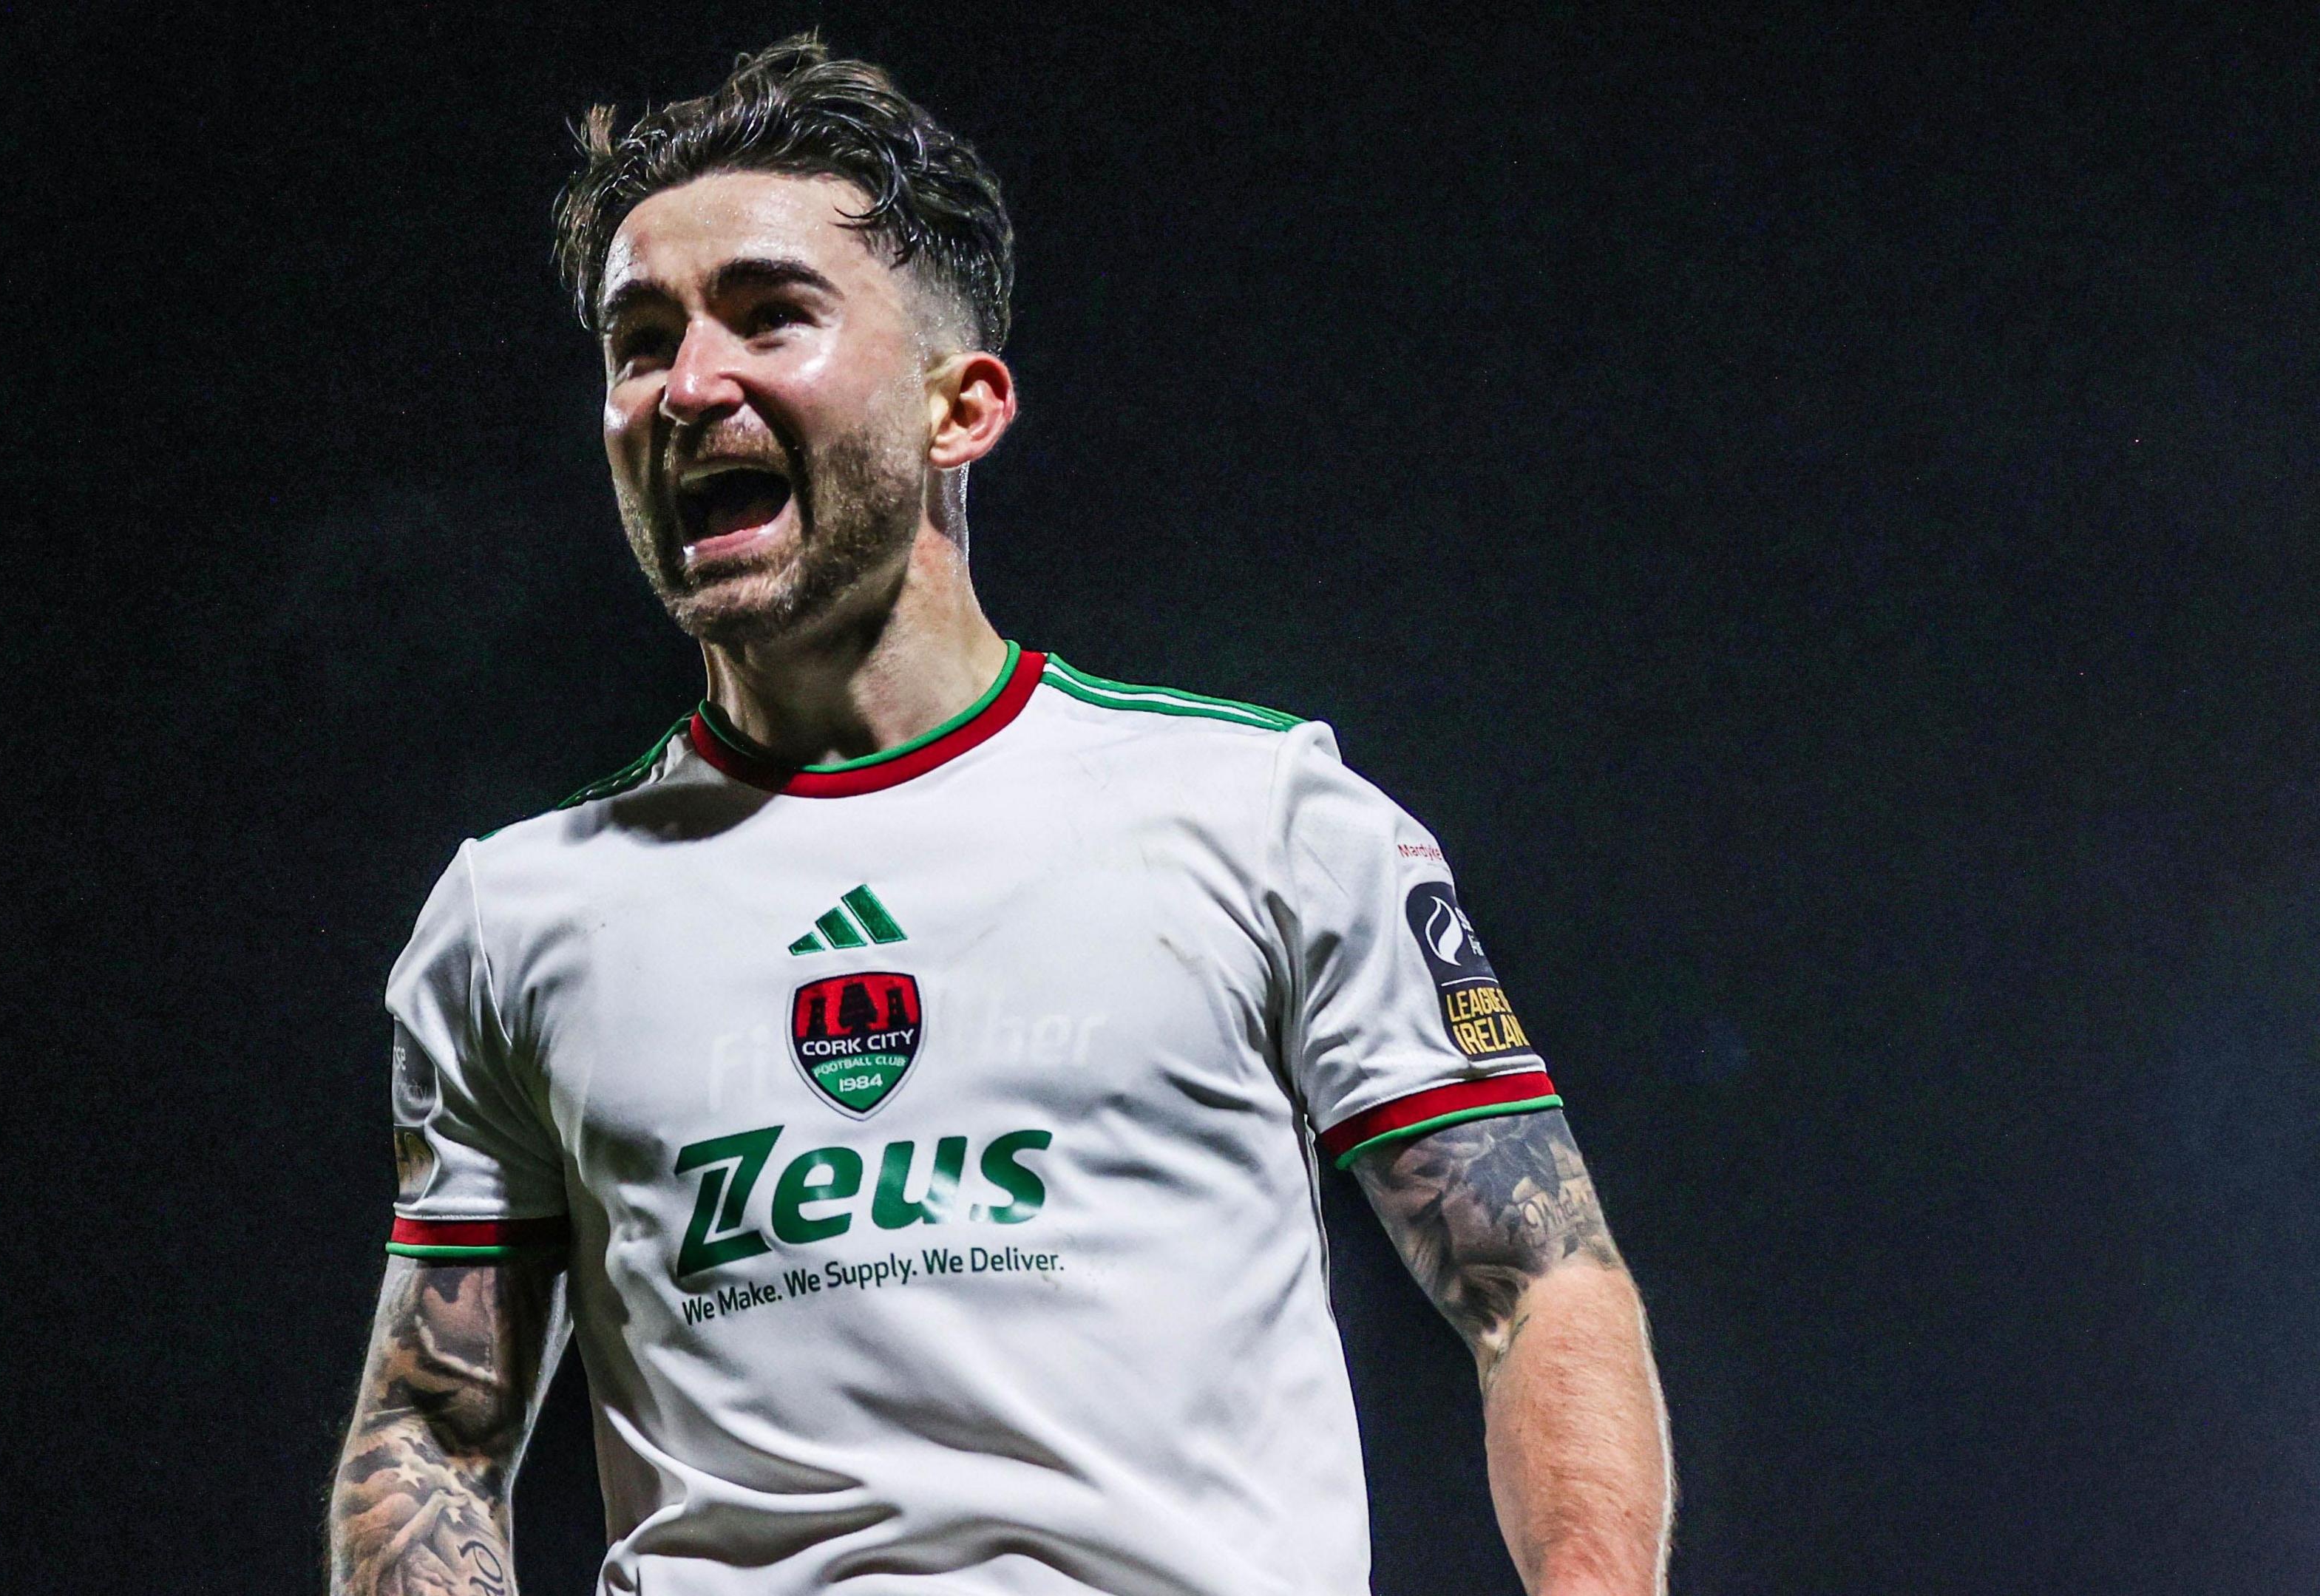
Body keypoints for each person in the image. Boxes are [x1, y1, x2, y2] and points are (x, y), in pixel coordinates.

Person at [330, 34, 1670, 1596]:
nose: (688, 387)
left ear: (961, 406)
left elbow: (1536, 1279)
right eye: (640, 343)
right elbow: (432, 1423)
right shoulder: (515, 915)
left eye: (770, 316)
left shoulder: (1265, 817)